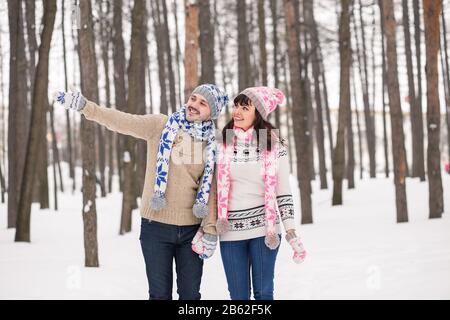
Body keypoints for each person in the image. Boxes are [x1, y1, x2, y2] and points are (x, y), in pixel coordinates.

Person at [54, 84, 229, 300]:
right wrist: (86, 107)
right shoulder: (161, 125)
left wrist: (210, 228)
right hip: (156, 228)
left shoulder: (212, 144)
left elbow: (211, 189)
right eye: (193, 98)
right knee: (158, 295)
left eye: (202, 103)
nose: (194, 105)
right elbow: (122, 121)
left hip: (191, 232)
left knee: (191, 296)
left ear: (212, 112)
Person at [215, 87, 306, 300]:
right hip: (230, 232)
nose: (237, 112)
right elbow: (212, 189)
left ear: (258, 114)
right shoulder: (222, 142)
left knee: (263, 294)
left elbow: (283, 192)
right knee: (238, 297)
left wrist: (291, 231)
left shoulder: (275, 144)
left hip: (265, 232)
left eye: (245, 108)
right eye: (236, 106)